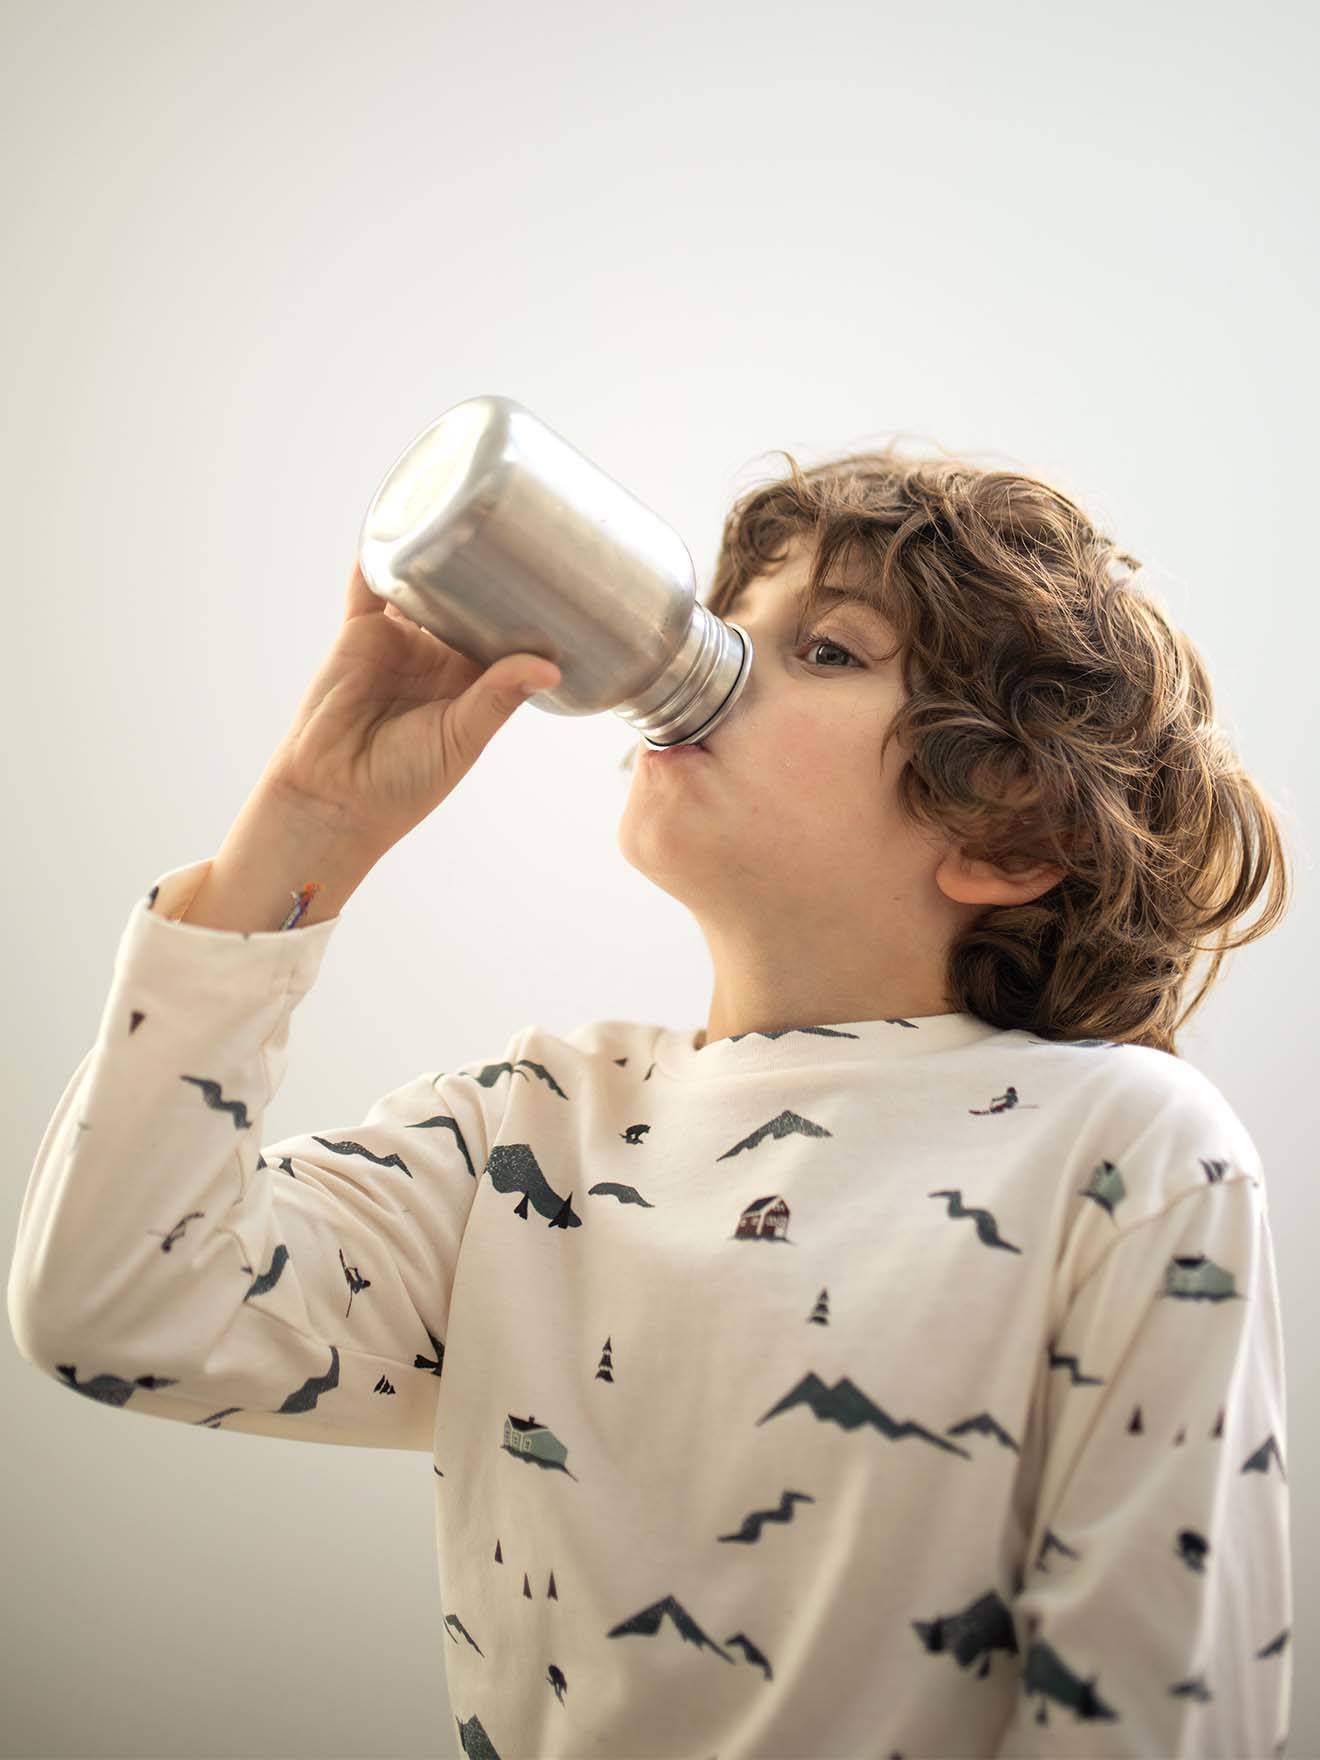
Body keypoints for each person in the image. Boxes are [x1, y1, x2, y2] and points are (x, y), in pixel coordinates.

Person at [8, 441, 1295, 1759]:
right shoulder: (528, 1137)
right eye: (726, 620)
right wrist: (304, 828)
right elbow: (119, 1306)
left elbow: (1154, 1718)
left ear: (1009, 837)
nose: (709, 664)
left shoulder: (1121, 1149)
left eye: (828, 651)